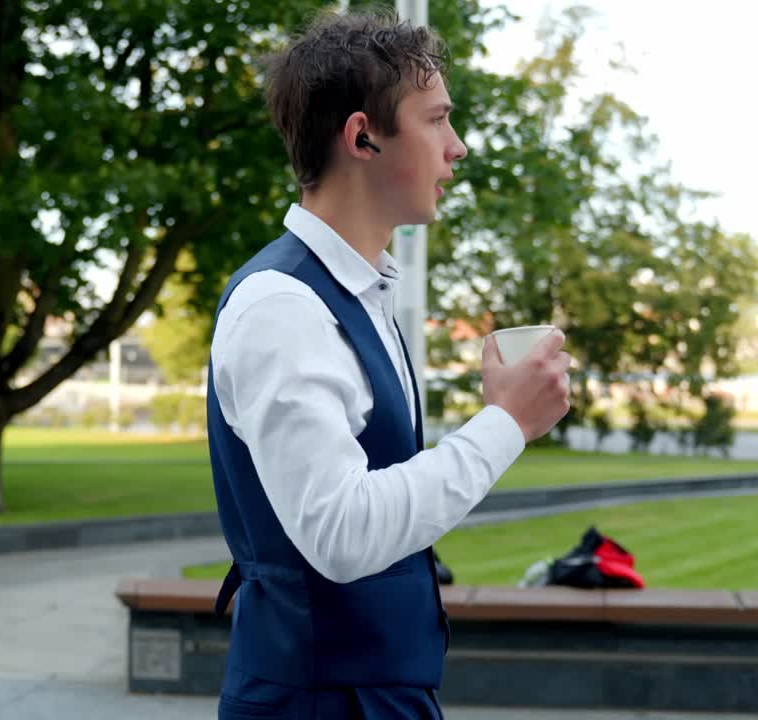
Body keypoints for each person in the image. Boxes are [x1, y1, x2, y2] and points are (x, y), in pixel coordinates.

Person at [206, 11, 572, 719]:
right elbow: (340, 534)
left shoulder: (360, 293)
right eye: (437, 120)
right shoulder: (281, 306)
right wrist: (503, 424)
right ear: (363, 136)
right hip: (318, 704)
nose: (457, 148)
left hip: (373, 692)